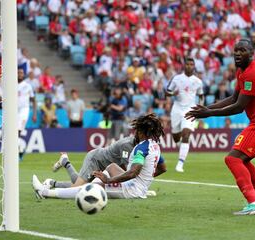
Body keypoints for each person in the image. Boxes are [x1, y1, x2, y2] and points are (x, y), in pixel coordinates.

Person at [185, 39, 255, 215]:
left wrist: (208, 114)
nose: (237, 53)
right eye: (236, 50)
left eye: (242, 50)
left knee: (233, 159)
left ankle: (253, 203)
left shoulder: (253, 73)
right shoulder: (242, 71)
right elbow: (233, 98)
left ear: (251, 53)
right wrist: (207, 108)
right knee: (242, 160)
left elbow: (239, 107)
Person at [32, 114, 166, 199]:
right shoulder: (154, 146)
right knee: (107, 170)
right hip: (96, 159)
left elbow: (132, 173)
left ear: (141, 131)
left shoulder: (141, 147)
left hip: (132, 188)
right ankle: (65, 164)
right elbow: (160, 168)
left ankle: (45, 191)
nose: (135, 132)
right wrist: (144, 181)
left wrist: (108, 180)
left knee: (86, 189)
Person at [166, 57, 204, 172]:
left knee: (186, 134)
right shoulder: (177, 78)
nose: (189, 66)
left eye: (191, 65)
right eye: (187, 64)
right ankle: (181, 149)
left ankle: (180, 163)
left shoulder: (198, 81)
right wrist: (173, 93)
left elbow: (201, 95)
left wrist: (200, 108)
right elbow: (167, 92)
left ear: (194, 66)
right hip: (177, 109)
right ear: (184, 66)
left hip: (190, 109)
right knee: (175, 135)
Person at [18, 68, 37, 160]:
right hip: (13, 111)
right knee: (15, 132)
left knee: (18, 131)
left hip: (24, 110)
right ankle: (20, 149)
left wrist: (34, 114)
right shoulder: (11, 85)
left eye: (21, 72)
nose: (20, 74)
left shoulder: (27, 86)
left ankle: (20, 150)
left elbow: (33, 100)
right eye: (18, 72)